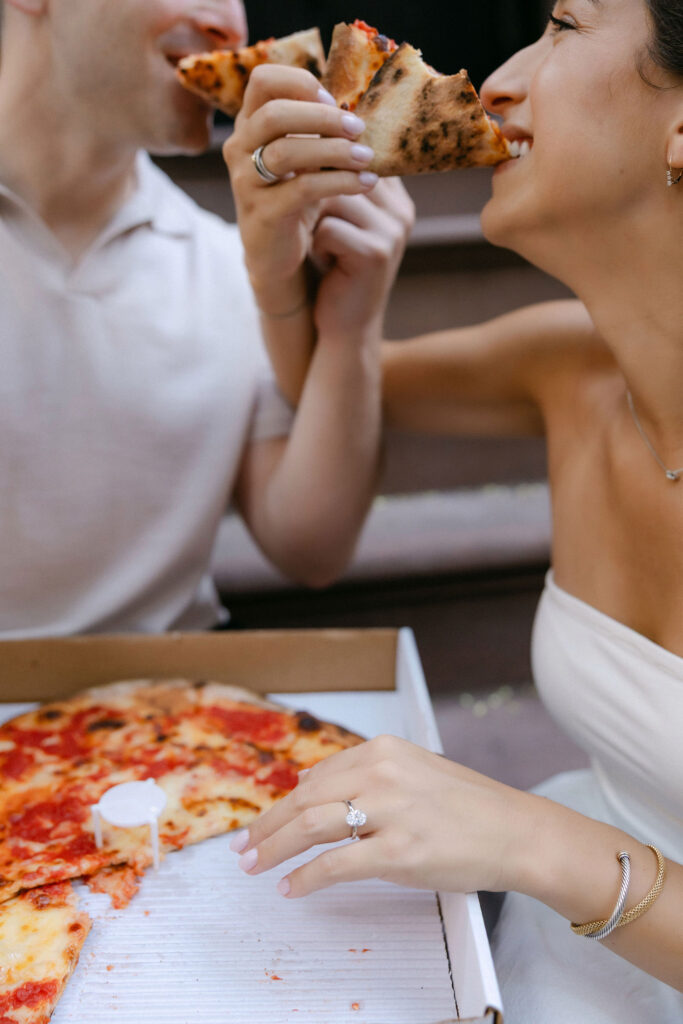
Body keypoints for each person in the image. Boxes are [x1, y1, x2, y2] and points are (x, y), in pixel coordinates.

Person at [229, 1, 683, 1019]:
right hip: (559, 966)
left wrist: (527, 835)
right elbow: (330, 381)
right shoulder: (568, 365)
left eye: (564, 26)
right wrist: (282, 273)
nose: (493, 81)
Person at [0, 0, 414, 635]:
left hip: (176, 718)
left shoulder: (233, 265)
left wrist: (350, 324)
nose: (232, 24)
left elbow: (310, 546)